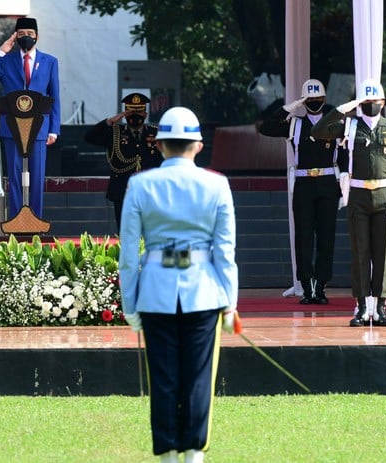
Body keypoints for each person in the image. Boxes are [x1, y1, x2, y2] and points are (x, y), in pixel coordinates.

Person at [118, 107, 238, 463]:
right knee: (199, 377)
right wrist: (230, 303)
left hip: (155, 291)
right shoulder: (217, 184)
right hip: (203, 291)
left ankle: (169, 452)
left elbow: (128, 253)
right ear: (199, 145)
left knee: (164, 377)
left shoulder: (139, 184)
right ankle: (193, 454)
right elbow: (225, 252)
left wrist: (129, 304)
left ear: (158, 145)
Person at [312, 78, 386, 327]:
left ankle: (379, 308)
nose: (371, 105)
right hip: (357, 197)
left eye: (374, 101)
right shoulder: (349, 126)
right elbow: (317, 131)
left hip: (384, 197)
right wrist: (344, 108)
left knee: (382, 254)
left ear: (383, 102)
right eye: (366, 102)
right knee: (360, 253)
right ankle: (359, 307)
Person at [258, 79, 348, 304]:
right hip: (304, 184)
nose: (314, 102)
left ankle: (321, 286)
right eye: (310, 99)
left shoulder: (337, 123)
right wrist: (290, 107)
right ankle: (307, 286)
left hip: (328, 182)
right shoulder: (295, 123)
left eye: (318, 99)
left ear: (325, 99)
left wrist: (345, 179)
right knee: (304, 237)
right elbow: (266, 127)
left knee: (327, 236)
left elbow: (346, 152)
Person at [0, 17, 60, 218]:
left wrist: (54, 128)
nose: (26, 38)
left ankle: (36, 219)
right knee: (13, 176)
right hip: (12, 126)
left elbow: (54, 96)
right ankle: (16, 220)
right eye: (21, 34)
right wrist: (1, 51)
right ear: (15, 36)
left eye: (30, 34)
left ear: (37, 36)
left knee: (37, 176)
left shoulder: (50, 62)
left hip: (39, 127)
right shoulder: (7, 61)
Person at [84, 92, 162, 231]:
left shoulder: (155, 133)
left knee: (149, 231)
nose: (135, 116)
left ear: (145, 114)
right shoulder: (115, 132)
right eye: (131, 112)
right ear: (125, 114)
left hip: (149, 191)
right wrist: (110, 121)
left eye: (138, 112)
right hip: (122, 190)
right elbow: (89, 137)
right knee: (125, 231)